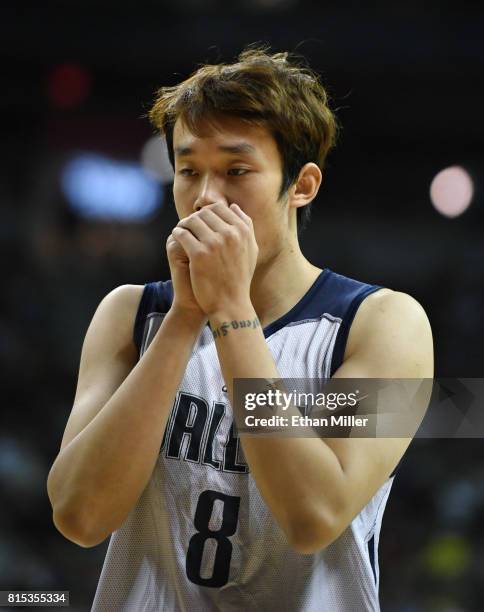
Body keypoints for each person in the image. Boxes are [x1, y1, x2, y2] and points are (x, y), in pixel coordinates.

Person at [47, 46, 434, 611]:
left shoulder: (384, 325)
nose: (205, 198)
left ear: (301, 185)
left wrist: (229, 310)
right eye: (188, 171)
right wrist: (184, 319)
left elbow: (313, 518)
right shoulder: (128, 315)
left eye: (236, 170)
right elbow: (79, 517)